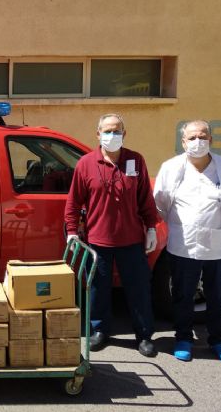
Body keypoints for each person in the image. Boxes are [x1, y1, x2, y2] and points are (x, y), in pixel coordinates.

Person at [64, 113, 158, 357]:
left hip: (131, 240)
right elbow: (73, 203)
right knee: (97, 289)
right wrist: (72, 232)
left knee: (138, 289)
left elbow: (145, 199)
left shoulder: (135, 161)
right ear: (98, 134)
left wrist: (151, 227)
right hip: (98, 241)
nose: (112, 135)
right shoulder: (86, 163)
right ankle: (99, 331)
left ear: (124, 134)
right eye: (107, 131)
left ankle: (145, 335)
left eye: (117, 131)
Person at [154, 120, 221, 364]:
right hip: (183, 245)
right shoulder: (171, 168)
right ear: (183, 142)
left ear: (211, 140)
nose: (198, 141)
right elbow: (161, 203)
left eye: (202, 136)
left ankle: (218, 340)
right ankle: (183, 337)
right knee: (183, 295)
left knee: (217, 296)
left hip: (218, 245)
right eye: (192, 137)